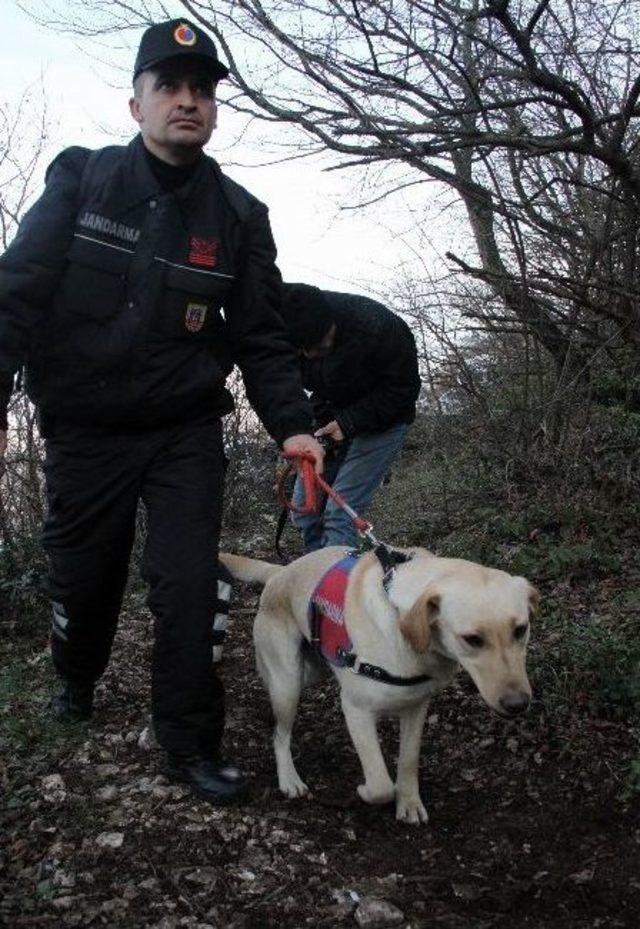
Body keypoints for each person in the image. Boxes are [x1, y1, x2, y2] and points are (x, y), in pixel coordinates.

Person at [0, 19, 323, 804]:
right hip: (83, 429)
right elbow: (15, 294)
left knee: (187, 585)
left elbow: (263, 338)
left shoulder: (240, 217)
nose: (188, 102)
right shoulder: (81, 181)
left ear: (214, 110)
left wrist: (293, 427)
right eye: (170, 87)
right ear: (137, 102)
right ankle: (75, 677)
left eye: (203, 91)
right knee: (86, 582)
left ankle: (187, 740)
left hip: (182, 431)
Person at [279, 283, 420, 552]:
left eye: (320, 347)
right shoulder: (286, 328)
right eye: (303, 351)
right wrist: (302, 431)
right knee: (306, 511)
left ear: (331, 322)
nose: (310, 356)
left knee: (338, 515)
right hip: (331, 413)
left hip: (387, 419)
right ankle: (319, 577)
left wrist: (348, 424)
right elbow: (292, 389)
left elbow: (403, 392)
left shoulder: (379, 327)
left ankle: (336, 591)